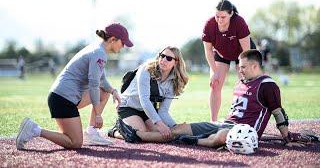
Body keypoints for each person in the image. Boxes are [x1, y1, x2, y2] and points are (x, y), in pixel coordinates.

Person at [117, 50, 318, 147]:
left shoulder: (267, 85)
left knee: (221, 137)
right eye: (238, 66)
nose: (239, 69)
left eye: (243, 66)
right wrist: (167, 126)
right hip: (225, 123)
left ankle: (146, 136)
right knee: (178, 128)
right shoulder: (241, 83)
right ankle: (135, 134)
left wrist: (286, 137)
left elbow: (277, 111)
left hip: (242, 131)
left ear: (256, 66)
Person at [16, 23, 133, 149]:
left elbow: (101, 80)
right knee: (75, 143)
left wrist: (114, 91)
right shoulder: (99, 53)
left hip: (65, 96)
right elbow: (94, 84)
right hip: (62, 99)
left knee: (104, 92)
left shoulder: (98, 49)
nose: (124, 46)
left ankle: (91, 133)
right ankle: (34, 130)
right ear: (113, 39)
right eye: (123, 42)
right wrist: (98, 114)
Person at [109, 46, 189, 142]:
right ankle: (115, 131)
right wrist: (160, 124)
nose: (163, 60)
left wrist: (175, 127)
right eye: (162, 56)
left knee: (159, 134)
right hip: (129, 106)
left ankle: (133, 126)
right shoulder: (146, 70)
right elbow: (145, 101)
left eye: (168, 58)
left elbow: (163, 111)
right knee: (141, 133)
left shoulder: (173, 81)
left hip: (148, 110)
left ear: (176, 62)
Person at [202, 0, 253, 122]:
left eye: (223, 17)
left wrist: (243, 70)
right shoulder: (209, 24)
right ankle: (213, 121)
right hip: (221, 53)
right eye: (217, 16)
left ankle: (246, 120)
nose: (219, 20)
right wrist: (215, 72)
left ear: (231, 14)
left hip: (242, 54)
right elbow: (208, 51)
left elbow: (246, 52)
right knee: (215, 85)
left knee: (246, 85)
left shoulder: (239, 22)